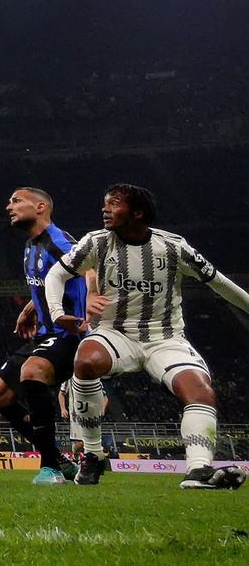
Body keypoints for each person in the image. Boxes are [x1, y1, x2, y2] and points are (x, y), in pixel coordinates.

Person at [46, 184, 249, 489]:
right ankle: (92, 455)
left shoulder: (174, 247)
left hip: (165, 338)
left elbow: (219, 283)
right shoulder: (96, 242)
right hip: (114, 333)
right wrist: (56, 312)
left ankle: (199, 470)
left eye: (113, 204)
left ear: (137, 212)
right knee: (85, 362)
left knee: (201, 392)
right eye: (105, 204)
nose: (105, 209)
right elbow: (57, 274)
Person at [0, 187, 99, 484]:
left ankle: (50, 466)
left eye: (16, 201)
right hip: (45, 334)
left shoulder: (59, 241)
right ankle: (57, 456)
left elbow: (89, 268)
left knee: (32, 372)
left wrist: (90, 301)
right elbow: (50, 282)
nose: (9, 206)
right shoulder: (29, 245)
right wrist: (31, 309)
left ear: (39, 207)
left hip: (70, 332)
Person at [58, 379, 107, 464]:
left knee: (89, 442)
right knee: (79, 444)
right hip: (76, 416)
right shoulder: (69, 379)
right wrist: (63, 408)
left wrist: (102, 408)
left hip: (92, 416)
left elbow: (105, 397)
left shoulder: (94, 379)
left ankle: (88, 462)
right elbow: (61, 393)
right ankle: (76, 457)